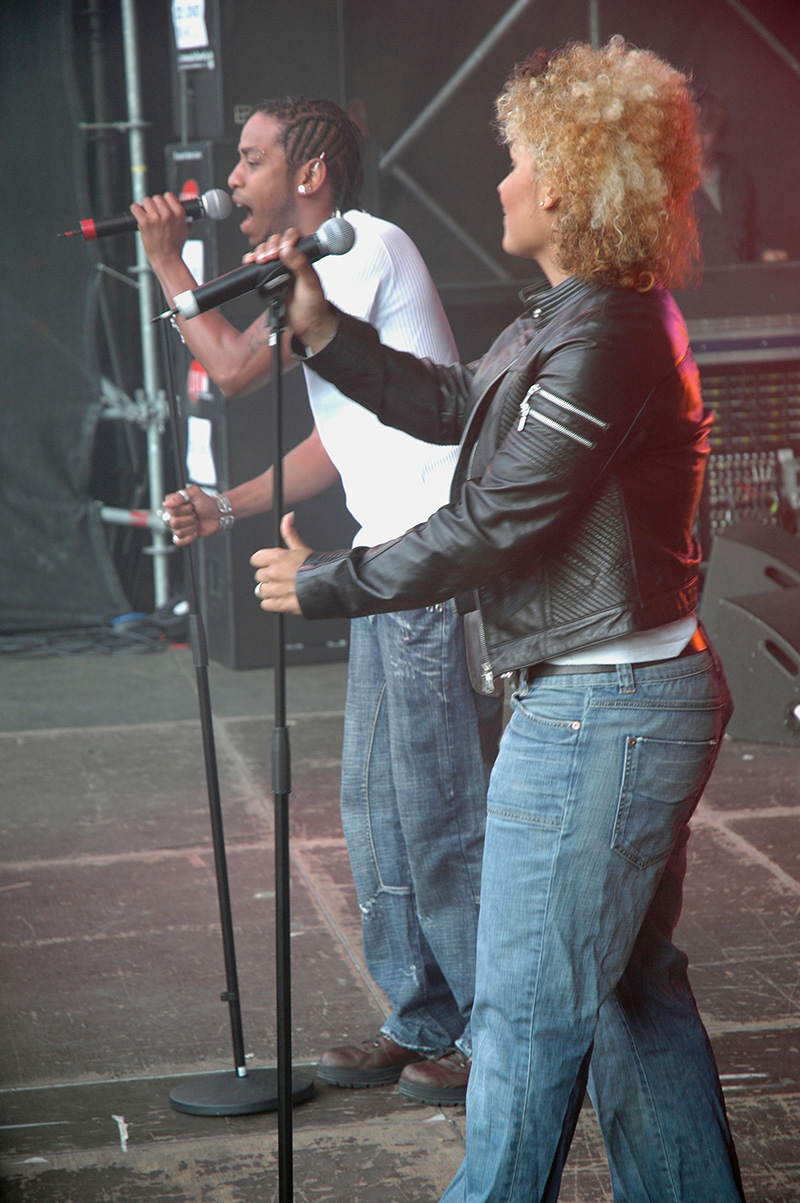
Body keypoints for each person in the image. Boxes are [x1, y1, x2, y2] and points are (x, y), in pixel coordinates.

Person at [250, 41, 747, 1201]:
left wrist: (330, 583)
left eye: (518, 159)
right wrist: (323, 331)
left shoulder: (611, 335)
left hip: (602, 714)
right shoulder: (574, 321)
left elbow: (493, 520)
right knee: (627, 998)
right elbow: (453, 406)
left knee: (521, 1018)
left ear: (567, 185)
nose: (501, 181)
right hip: (605, 702)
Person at [131, 96, 502, 1106]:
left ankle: (489, 1033)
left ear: (310, 174)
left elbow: (234, 371)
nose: (231, 179)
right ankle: (421, 1016)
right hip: (386, 569)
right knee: (376, 811)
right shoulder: (311, 272)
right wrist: (228, 505)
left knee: (437, 810)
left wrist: (168, 260)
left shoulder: (361, 247)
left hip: (428, 571)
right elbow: (336, 440)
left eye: (251, 159)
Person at [695, 88, 787, 266]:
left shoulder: (737, 174)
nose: (698, 141)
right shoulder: (669, 181)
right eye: (692, 131)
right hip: (692, 282)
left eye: (706, 131)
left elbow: (750, 235)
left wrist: (765, 254)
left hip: (738, 279)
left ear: (719, 130)